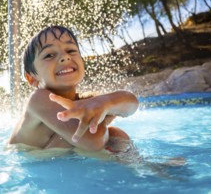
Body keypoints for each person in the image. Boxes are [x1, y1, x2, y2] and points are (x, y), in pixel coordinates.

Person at [8, 25, 139, 153]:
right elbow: (94, 142)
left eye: (71, 50)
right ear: (32, 78)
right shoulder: (38, 99)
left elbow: (132, 104)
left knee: (117, 135)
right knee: (107, 133)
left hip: (56, 162)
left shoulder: (87, 102)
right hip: (30, 165)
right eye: (49, 55)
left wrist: (107, 102)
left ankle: (140, 168)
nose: (65, 57)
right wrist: (104, 117)